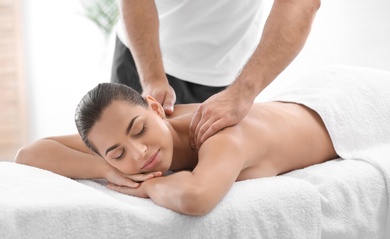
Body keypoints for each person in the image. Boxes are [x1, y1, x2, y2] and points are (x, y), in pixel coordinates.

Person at [15, 82, 337, 216]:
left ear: (155, 108)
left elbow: (195, 198)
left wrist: (149, 184)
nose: (139, 153)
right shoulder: (121, 150)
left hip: (339, 109)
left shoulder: (221, 134)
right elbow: (29, 155)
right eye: (117, 153)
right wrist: (106, 170)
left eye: (139, 129)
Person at [112, 0, 321, 149]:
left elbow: (301, 3)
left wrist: (242, 93)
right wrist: (152, 78)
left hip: (223, 81)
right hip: (141, 56)